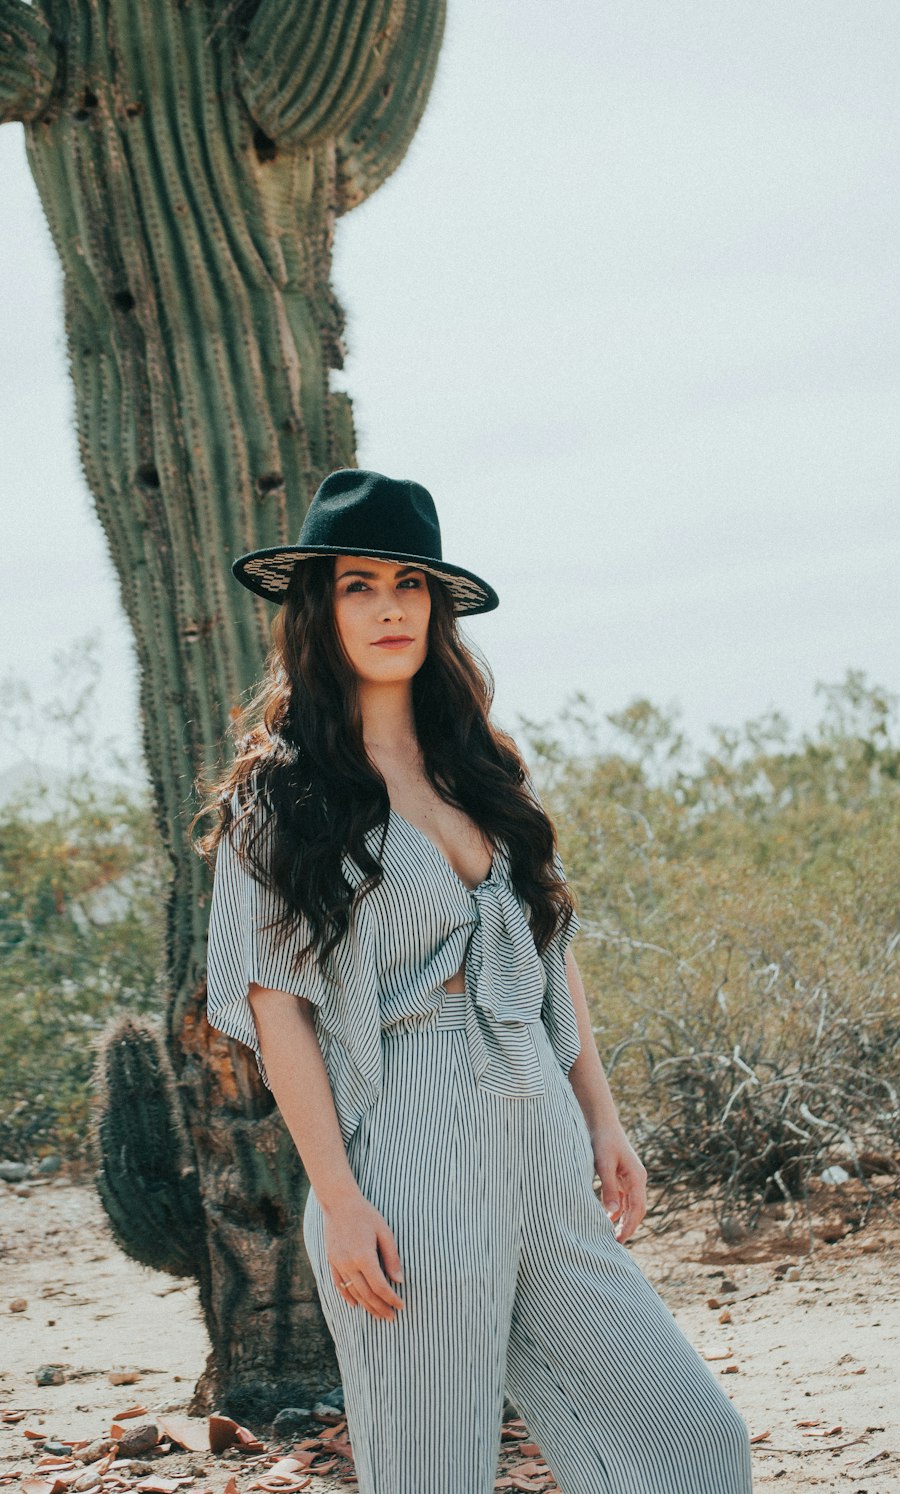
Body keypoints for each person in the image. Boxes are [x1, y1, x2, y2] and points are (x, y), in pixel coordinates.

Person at [199, 468, 753, 1494]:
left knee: (691, 1442)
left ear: (436, 607)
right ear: (318, 609)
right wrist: (340, 1197)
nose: (389, 606)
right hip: (405, 1144)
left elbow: (548, 946)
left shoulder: (480, 767)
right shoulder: (283, 797)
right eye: (358, 584)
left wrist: (602, 1116)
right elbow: (277, 1010)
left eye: (409, 583)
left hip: (536, 1126)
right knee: (431, 1474)